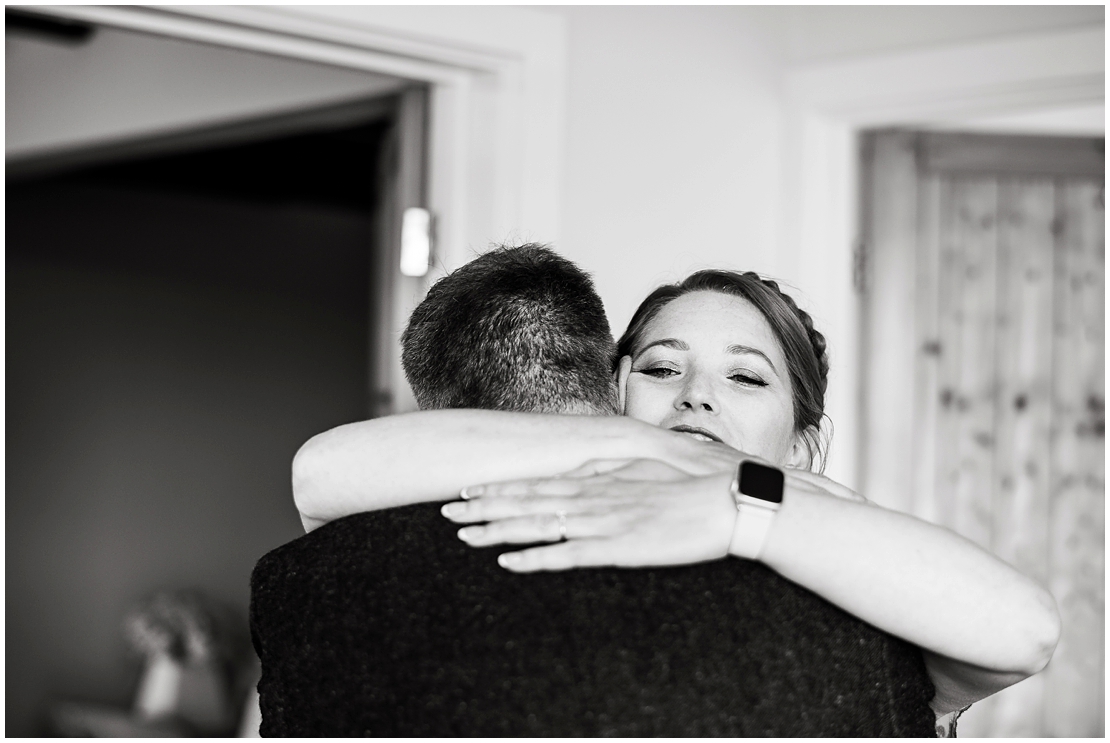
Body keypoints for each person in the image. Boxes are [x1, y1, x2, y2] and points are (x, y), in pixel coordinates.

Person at [292, 249, 1061, 731]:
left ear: (798, 441)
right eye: (662, 368)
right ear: (614, 390)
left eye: (745, 376)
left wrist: (743, 504)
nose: (695, 395)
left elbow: (1026, 632)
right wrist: (660, 452)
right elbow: (322, 474)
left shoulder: (862, 553)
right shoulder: (572, 495)